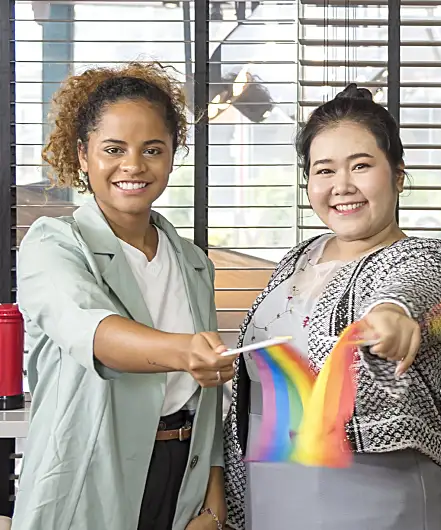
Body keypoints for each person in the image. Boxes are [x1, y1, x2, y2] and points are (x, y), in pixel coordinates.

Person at [222, 84, 441, 530]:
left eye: (361, 166)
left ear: (398, 175)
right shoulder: (296, 260)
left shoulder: (427, 257)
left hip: (375, 497)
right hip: (273, 494)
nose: (342, 186)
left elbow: (410, 289)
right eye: (324, 170)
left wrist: (391, 316)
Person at [13, 63, 236, 530]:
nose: (133, 166)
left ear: (173, 154)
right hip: (91, 476)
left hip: (182, 480)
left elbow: (207, 400)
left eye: (152, 149)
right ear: (83, 155)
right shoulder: (53, 243)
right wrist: (185, 352)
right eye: (113, 149)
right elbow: (93, 332)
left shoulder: (193, 263)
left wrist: (213, 505)